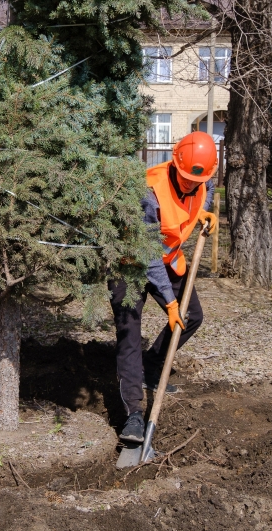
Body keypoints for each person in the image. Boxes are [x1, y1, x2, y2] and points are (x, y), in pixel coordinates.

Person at [110, 131, 218, 444]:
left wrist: (203, 212)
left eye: (195, 181)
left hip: (167, 258)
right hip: (130, 262)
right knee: (130, 333)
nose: (190, 184)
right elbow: (147, 255)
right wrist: (170, 303)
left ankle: (151, 367)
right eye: (185, 178)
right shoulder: (150, 189)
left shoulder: (203, 180)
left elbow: (204, 193)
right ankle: (132, 414)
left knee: (192, 316)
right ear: (175, 164)